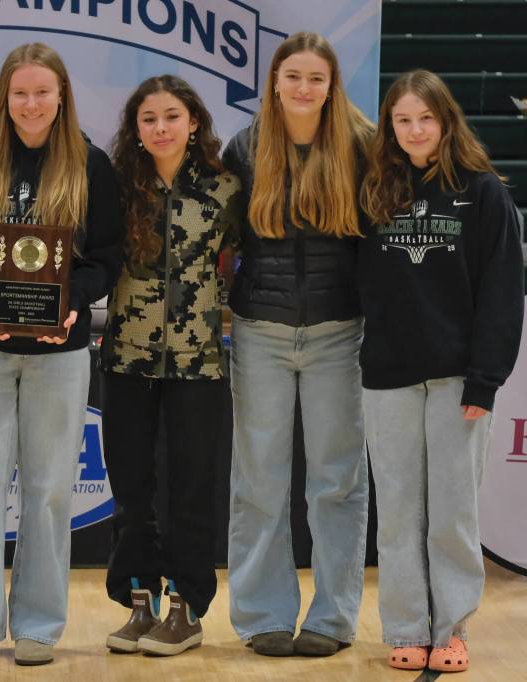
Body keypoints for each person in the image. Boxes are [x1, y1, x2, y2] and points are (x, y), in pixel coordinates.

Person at [0, 42, 122, 666]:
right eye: (21, 93)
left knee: (46, 492)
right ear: (4, 97)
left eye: (43, 91)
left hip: (60, 351)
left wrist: (74, 306)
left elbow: (106, 259)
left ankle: (39, 625)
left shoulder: (91, 165)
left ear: (61, 95)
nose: (32, 103)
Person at [358, 69, 523, 673]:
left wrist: (485, 378)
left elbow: (503, 292)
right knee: (399, 512)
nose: (414, 130)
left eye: (425, 118)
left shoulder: (483, 193)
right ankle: (405, 626)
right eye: (402, 120)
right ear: (390, 127)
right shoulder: (376, 191)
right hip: (389, 377)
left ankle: (451, 629)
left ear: (446, 121)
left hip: (458, 378)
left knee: (452, 512)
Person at [221, 31, 374, 657]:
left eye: (316, 78)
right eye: (293, 77)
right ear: (275, 82)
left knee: (337, 481)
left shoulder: (363, 145)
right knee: (258, 481)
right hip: (260, 332)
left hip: (340, 333)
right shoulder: (247, 147)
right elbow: (220, 239)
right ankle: (262, 614)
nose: (304, 88)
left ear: (332, 83)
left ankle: (333, 618)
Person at [101, 75, 243, 657]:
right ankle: (139, 602)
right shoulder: (115, 188)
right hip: (126, 360)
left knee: (190, 487)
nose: (161, 128)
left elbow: (241, 261)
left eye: (172, 116)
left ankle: (186, 606)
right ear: (135, 129)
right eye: (149, 119)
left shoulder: (226, 187)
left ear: (194, 122)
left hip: (200, 363)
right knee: (132, 486)